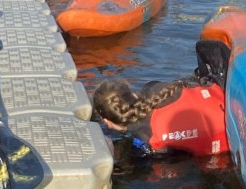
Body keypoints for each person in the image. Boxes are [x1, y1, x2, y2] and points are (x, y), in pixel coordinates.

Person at [93, 40, 231, 157]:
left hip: (229, 141)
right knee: (203, 48)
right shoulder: (156, 90)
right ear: (133, 94)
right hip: (227, 95)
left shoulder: (150, 141)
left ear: (107, 122)